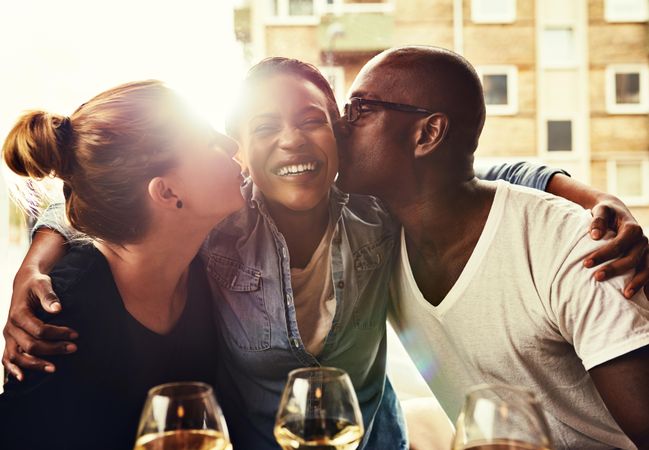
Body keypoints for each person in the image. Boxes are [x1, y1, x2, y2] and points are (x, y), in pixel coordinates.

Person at [3, 59, 649, 450]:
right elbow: (107, 203)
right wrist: (39, 256)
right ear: (242, 152)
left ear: (337, 132)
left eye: (311, 118)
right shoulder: (215, 227)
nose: (289, 140)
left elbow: (476, 173)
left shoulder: (378, 208)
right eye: (259, 129)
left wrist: (592, 197)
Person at [336, 46, 649, 449]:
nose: (341, 126)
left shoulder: (578, 248)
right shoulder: (376, 236)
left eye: (359, 108)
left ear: (427, 133)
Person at [0, 80, 244, 450]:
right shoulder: (57, 317)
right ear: (166, 192)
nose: (231, 145)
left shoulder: (206, 263)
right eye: (207, 142)